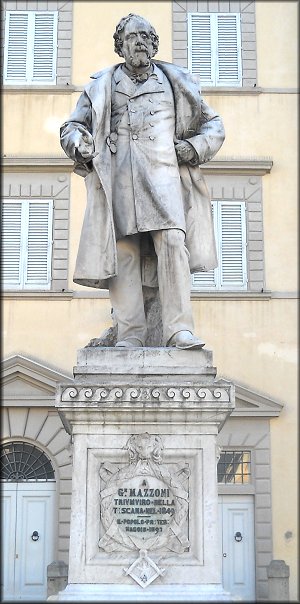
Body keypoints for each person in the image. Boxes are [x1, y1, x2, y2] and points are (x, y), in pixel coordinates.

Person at [60, 13, 225, 349]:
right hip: (119, 179)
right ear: (120, 47)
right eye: (131, 37)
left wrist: (193, 148)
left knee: (173, 244)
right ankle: (130, 335)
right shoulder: (101, 87)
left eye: (146, 37)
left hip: (165, 177)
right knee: (125, 253)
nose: (139, 42)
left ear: (154, 44)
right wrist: (78, 143)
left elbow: (215, 126)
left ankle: (178, 329)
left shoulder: (177, 83)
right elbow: (72, 128)